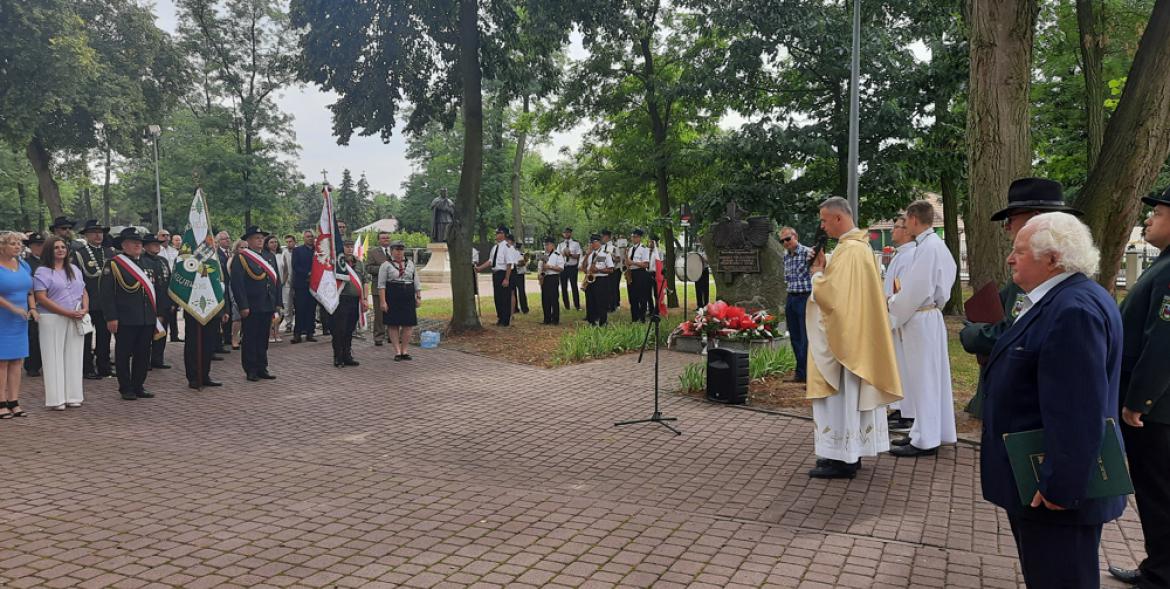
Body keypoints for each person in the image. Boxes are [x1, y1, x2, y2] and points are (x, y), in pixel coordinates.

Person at [979, 212, 1125, 589]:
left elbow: (1078, 411)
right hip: (1040, 481)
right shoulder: (1060, 300)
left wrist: (1061, 486)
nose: (1010, 258)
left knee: (1061, 578)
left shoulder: (1073, 310)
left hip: (1054, 492)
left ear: (1053, 258)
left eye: (1020, 251)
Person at [959, 178, 1083, 417]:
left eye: (1011, 218)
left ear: (1036, 217)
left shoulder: (1043, 273)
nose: (1007, 227)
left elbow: (1016, 332)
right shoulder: (1046, 268)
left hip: (1023, 403)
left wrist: (973, 333)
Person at [805, 197, 902, 479]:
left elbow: (833, 297)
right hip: (856, 337)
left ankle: (843, 458)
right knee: (849, 398)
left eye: (824, 220)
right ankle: (849, 454)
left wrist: (816, 275)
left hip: (844, 345)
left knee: (841, 398)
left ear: (839, 218)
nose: (822, 225)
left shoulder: (850, 252)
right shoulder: (860, 248)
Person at [1108, 190, 1170, 588]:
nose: (1148, 219)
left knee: (1158, 492)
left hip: (1156, 409)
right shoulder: (1163, 263)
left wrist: (1138, 401)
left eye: (1158, 213)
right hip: (1156, 405)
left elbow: (1163, 341)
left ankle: (1161, 573)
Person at [887, 201, 958, 457]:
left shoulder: (928, 247)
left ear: (915, 219)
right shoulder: (933, 245)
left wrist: (892, 304)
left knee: (925, 379)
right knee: (925, 378)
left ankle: (925, 439)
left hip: (920, 317)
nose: (905, 224)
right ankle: (925, 431)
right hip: (927, 317)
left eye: (906, 220)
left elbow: (915, 290)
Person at [102, 228, 167, 401]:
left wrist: (158, 313)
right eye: (133, 242)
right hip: (125, 318)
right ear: (124, 245)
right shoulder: (114, 264)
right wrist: (111, 317)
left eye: (139, 242)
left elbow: (156, 290)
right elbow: (107, 294)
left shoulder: (146, 264)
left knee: (143, 354)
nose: (138, 245)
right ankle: (126, 387)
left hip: (146, 317)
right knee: (123, 354)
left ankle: (139, 385)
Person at [34, 235, 88, 410]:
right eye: (56, 247)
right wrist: (66, 312)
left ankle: (73, 396)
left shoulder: (74, 269)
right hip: (52, 317)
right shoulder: (42, 271)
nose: (60, 250)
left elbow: (84, 290)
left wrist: (85, 308)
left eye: (63, 247)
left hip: (76, 316)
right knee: (53, 357)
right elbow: (41, 297)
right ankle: (56, 399)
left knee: (75, 355)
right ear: (50, 250)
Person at [230, 226, 283, 382]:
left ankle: (262, 367)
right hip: (252, 304)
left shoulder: (269, 257)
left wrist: (278, 302)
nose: (260, 240)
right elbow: (237, 284)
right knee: (250, 338)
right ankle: (250, 369)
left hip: (267, 303)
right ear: (249, 240)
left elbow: (276, 281)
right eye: (256, 238)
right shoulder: (241, 258)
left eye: (262, 238)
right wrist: (243, 306)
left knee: (263, 338)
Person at [882, 216, 915, 431]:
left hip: (900, 318)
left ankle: (908, 412)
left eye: (896, 227)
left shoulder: (910, 255)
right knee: (898, 366)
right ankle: (901, 407)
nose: (892, 231)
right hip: (892, 314)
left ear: (906, 230)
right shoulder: (900, 254)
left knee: (905, 366)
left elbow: (900, 288)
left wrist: (894, 313)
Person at [0, 231, 36, 419]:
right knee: (2, 362)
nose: (17, 246)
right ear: (2, 247)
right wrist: (12, 308)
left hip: (20, 320)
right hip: (3, 319)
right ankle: (1, 402)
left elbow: (29, 290)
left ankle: (14, 401)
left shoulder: (23, 265)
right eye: (13, 244)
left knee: (17, 361)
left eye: (18, 244)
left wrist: (32, 308)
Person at [73, 220, 114, 380]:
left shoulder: (110, 253)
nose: (98, 235)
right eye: (94, 232)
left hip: (106, 303)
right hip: (88, 302)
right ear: (87, 235)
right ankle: (87, 368)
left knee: (105, 337)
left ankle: (104, 366)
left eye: (100, 232)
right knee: (86, 337)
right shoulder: (79, 254)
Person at [779, 226, 814, 384]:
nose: (785, 243)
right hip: (791, 297)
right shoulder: (785, 256)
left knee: (805, 337)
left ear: (795, 236)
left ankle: (808, 373)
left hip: (805, 297)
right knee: (794, 336)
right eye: (783, 241)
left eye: (788, 239)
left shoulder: (808, 253)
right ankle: (800, 373)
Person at [378, 240, 421, 361]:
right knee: (393, 324)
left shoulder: (410, 264)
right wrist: (383, 301)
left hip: (407, 295)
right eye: (396, 250)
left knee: (408, 324)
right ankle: (397, 351)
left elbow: (416, 281)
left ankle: (405, 350)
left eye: (401, 250)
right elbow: (381, 285)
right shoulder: (386, 265)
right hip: (393, 295)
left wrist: (418, 296)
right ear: (391, 251)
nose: (399, 253)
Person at [331, 240, 366, 366]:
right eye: (347, 246)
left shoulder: (359, 263)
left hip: (355, 300)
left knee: (350, 330)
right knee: (339, 330)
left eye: (351, 246)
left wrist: (365, 299)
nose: (350, 249)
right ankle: (338, 357)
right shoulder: (338, 263)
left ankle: (347, 355)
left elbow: (364, 281)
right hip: (341, 299)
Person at [475, 226, 516, 326]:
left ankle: (505, 320)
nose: (496, 235)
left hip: (503, 273)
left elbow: (509, 264)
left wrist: (507, 278)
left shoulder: (507, 247)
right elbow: (490, 261)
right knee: (497, 297)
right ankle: (500, 317)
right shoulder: (495, 248)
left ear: (503, 234)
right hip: (496, 274)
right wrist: (479, 268)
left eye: (498, 233)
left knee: (505, 297)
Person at [142, 235, 172, 370]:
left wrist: (171, 302)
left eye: (158, 244)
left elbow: (169, 281)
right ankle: (145, 360)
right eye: (154, 244)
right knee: (147, 334)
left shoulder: (163, 261)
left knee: (162, 332)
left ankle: (157, 359)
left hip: (164, 301)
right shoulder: (141, 261)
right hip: (149, 303)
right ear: (146, 246)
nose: (157, 246)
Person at [22, 232, 44, 377]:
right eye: (37, 245)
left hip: (49, 303)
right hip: (33, 301)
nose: (40, 247)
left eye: (42, 244)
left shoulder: (49, 261)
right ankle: (32, 365)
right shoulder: (26, 264)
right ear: (30, 247)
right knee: (33, 335)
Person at [365, 231, 393, 346]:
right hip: (378, 288)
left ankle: (392, 335)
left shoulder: (394, 251)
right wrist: (383, 269)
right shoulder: (372, 252)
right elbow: (368, 268)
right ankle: (378, 337)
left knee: (393, 312)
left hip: (393, 287)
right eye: (383, 238)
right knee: (380, 314)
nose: (386, 239)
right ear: (378, 240)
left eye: (387, 238)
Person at [291, 229, 318, 343]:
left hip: (315, 285)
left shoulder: (318, 251)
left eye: (311, 236)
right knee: (300, 309)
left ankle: (310, 333)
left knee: (311, 309)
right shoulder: (297, 250)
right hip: (301, 285)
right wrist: (307, 273)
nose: (310, 238)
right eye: (307, 236)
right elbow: (295, 266)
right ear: (303, 238)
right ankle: (297, 334)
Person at [581, 234, 614, 326]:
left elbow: (611, 269)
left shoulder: (605, 254)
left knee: (601, 301)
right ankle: (591, 321)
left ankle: (603, 321)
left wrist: (598, 270)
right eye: (591, 243)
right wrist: (586, 256)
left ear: (598, 242)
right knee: (590, 301)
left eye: (593, 242)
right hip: (590, 280)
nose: (591, 244)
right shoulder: (590, 254)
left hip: (601, 279)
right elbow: (583, 268)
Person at [159, 230, 181, 342]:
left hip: (174, 281)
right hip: (162, 283)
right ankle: (162, 335)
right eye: (163, 235)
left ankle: (174, 335)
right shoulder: (158, 251)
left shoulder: (174, 251)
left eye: (168, 235)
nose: (166, 237)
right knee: (164, 311)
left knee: (174, 309)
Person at [626, 229, 652, 322]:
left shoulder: (644, 249)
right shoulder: (630, 249)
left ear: (640, 238)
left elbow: (645, 264)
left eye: (635, 237)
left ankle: (642, 317)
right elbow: (628, 262)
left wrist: (632, 262)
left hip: (640, 273)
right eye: (632, 237)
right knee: (632, 297)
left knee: (642, 297)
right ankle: (634, 318)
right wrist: (627, 264)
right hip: (631, 273)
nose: (633, 239)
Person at [538, 237, 564, 325]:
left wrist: (550, 267)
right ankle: (546, 319)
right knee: (545, 299)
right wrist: (540, 275)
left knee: (553, 299)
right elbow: (540, 266)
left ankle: (555, 319)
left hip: (553, 277)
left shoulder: (557, 254)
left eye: (547, 245)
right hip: (545, 277)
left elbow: (561, 268)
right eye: (545, 245)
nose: (546, 247)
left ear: (552, 245)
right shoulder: (543, 255)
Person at [265, 235, 286, 343]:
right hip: (269, 287)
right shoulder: (265, 255)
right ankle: (269, 334)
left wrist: (282, 282)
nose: (274, 244)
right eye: (271, 242)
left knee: (278, 310)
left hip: (279, 285)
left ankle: (277, 333)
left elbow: (284, 269)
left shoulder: (280, 254)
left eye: (275, 242)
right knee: (270, 311)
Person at [558, 227, 582, 310]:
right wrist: (563, 254)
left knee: (574, 286)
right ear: (563, 234)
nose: (566, 234)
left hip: (572, 267)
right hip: (563, 267)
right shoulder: (560, 244)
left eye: (568, 232)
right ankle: (566, 306)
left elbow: (578, 255)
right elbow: (557, 256)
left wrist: (570, 254)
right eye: (565, 233)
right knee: (563, 287)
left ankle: (577, 305)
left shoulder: (576, 244)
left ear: (571, 234)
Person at [507, 234, 529, 314]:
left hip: (519, 274)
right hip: (513, 273)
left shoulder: (517, 253)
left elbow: (522, 263)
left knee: (521, 291)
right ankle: (515, 308)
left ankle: (524, 308)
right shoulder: (509, 252)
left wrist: (523, 261)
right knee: (513, 292)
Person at [600, 230, 621, 312]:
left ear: (608, 237)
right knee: (606, 288)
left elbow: (618, 259)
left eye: (604, 236)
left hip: (613, 270)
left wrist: (611, 256)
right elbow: (600, 259)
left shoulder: (614, 247)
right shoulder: (601, 247)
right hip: (605, 270)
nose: (602, 238)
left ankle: (613, 305)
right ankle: (607, 305)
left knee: (613, 288)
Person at [281, 234, 296, 333]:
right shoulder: (285, 253)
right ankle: (288, 324)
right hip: (287, 281)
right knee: (287, 304)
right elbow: (284, 267)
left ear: (294, 241)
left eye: (290, 241)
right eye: (287, 242)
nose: (288, 243)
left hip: (298, 281)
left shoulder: (298, 251)